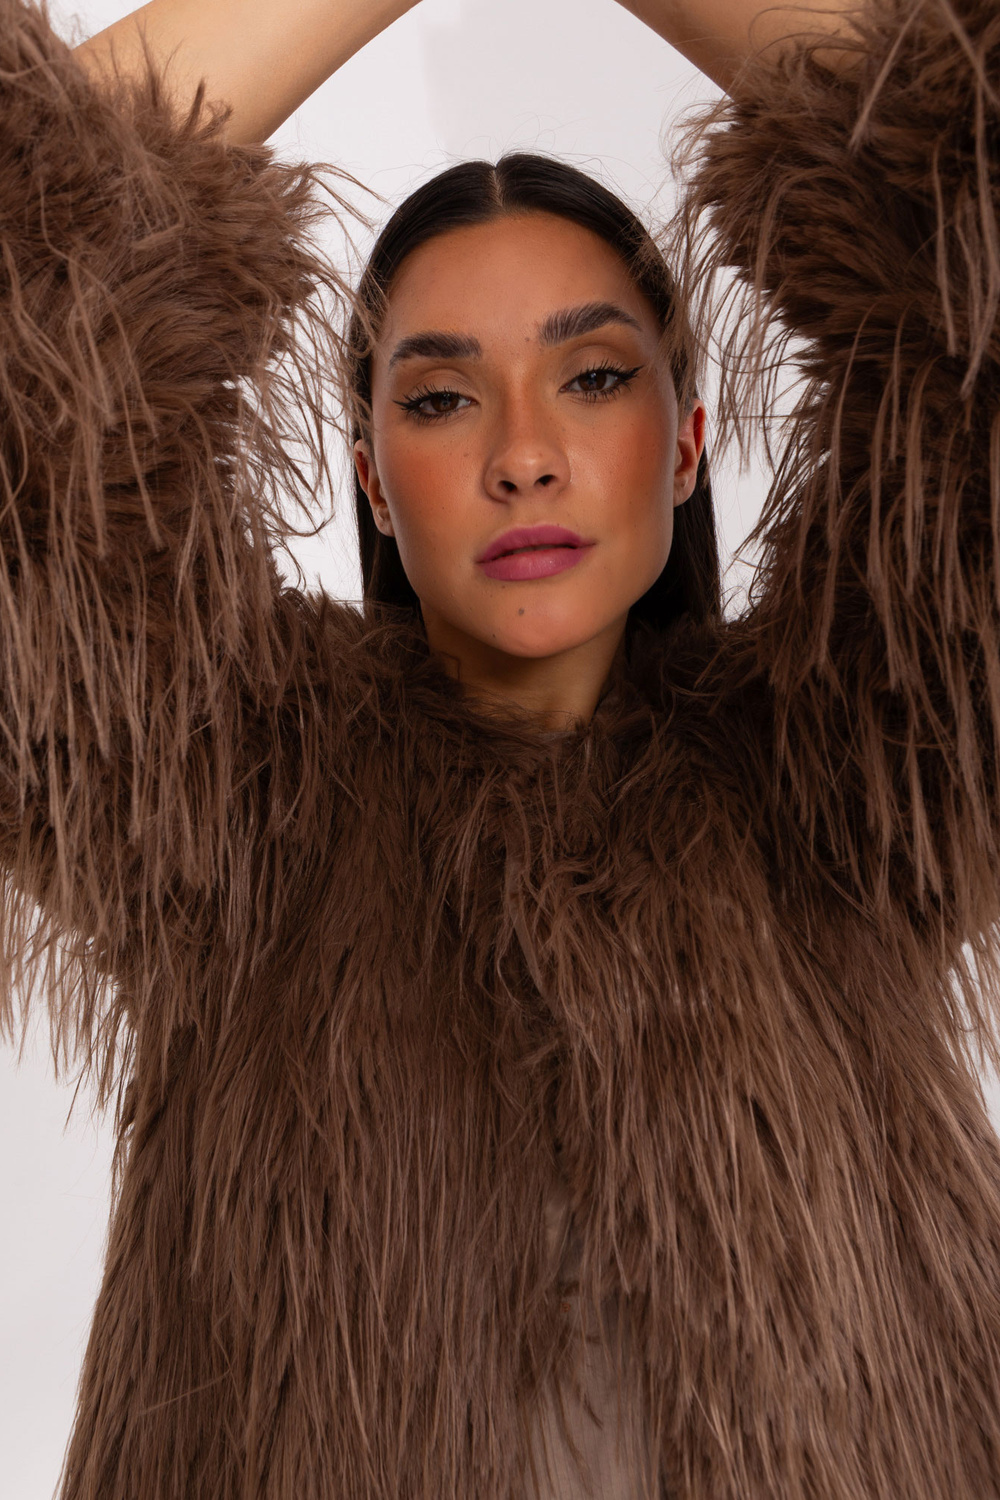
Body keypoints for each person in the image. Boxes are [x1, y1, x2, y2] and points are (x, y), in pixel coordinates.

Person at [1, 0, 999, 1494]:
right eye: (442, 397)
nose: (523, 454)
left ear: (686, 438)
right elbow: (23, 308)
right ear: (371, 479)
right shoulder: (228, 797)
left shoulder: (857, 774)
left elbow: (974, 222)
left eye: (593, 377)